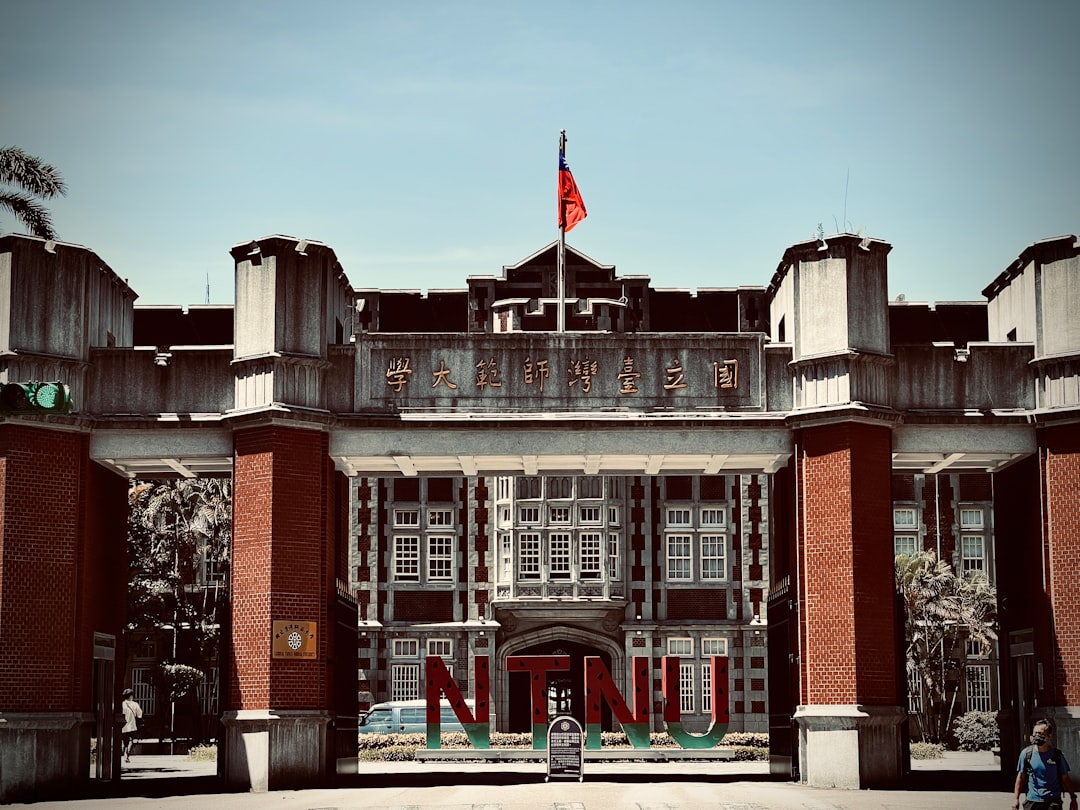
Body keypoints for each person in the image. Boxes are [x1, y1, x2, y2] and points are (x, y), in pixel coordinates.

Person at [1013, 718, 1078, 810]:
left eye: (1040, 734)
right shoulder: (1026, 754)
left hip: (1053, 802)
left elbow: (1065, 778)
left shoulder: (1057, 756)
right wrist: (1016, 799)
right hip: (1032, 802)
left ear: (1049, 736)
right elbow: (1020, 778)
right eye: (1035, 733)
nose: (1036, 736)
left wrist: (1073, 798)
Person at [120, 688, 143, 763]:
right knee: (131, 741)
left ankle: (125, 754)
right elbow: (140, 715)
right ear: (131, 696)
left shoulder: (122, 704)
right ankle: (127, 755)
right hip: (132, 726)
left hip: (123, 726)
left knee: (124, 741)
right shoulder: (135, 704)